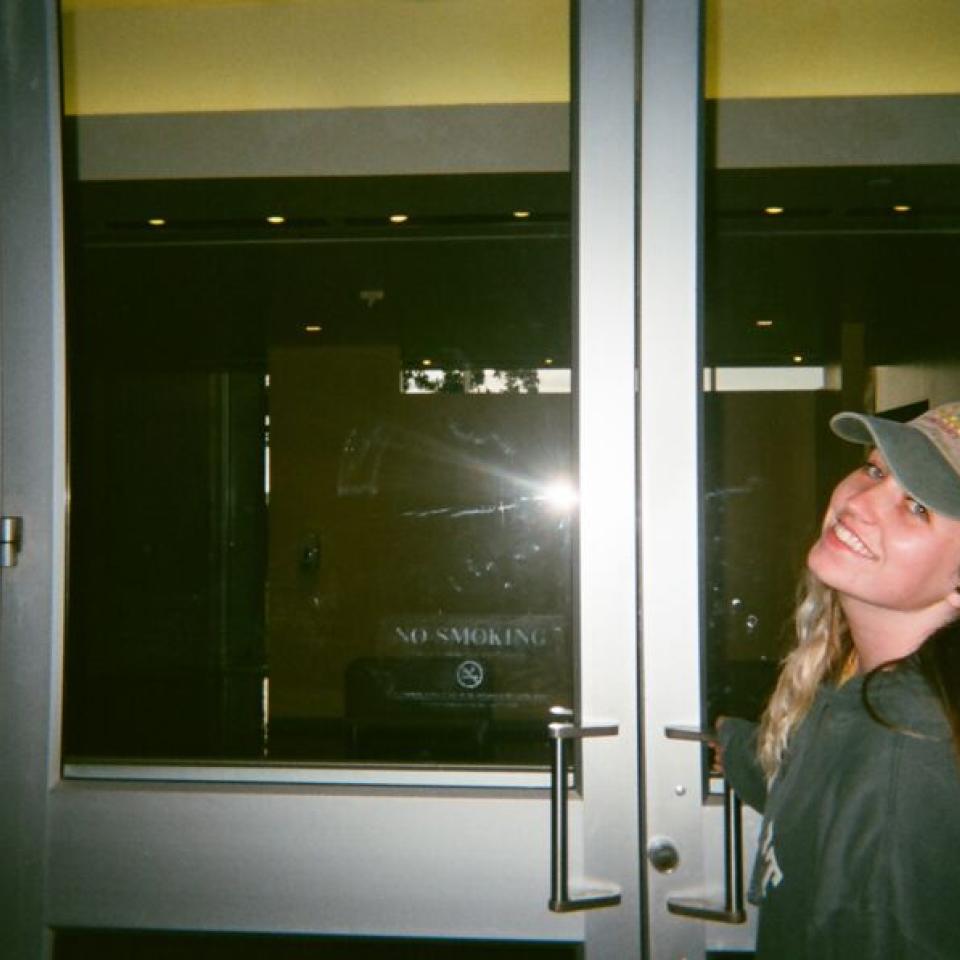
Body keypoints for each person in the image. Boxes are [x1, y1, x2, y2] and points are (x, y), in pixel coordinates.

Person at [717, 401, 960, 959]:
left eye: (916, 507)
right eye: (874, 470)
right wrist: (733, 746)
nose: (859, 503)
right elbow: (825, 784)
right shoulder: (870, 683)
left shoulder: (907, 743)